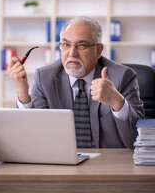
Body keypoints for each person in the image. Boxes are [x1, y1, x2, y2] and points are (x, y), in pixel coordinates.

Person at [7, 16, 144, 149]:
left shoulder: (122, 76)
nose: (72, 53)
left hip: (108, 165)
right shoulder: (45, 77)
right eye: (66, 44)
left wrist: (117, 102)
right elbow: (33, 137)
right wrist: (22, 92)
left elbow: (137, 140)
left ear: (98, 51)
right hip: (61, 163)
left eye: (82, 45)